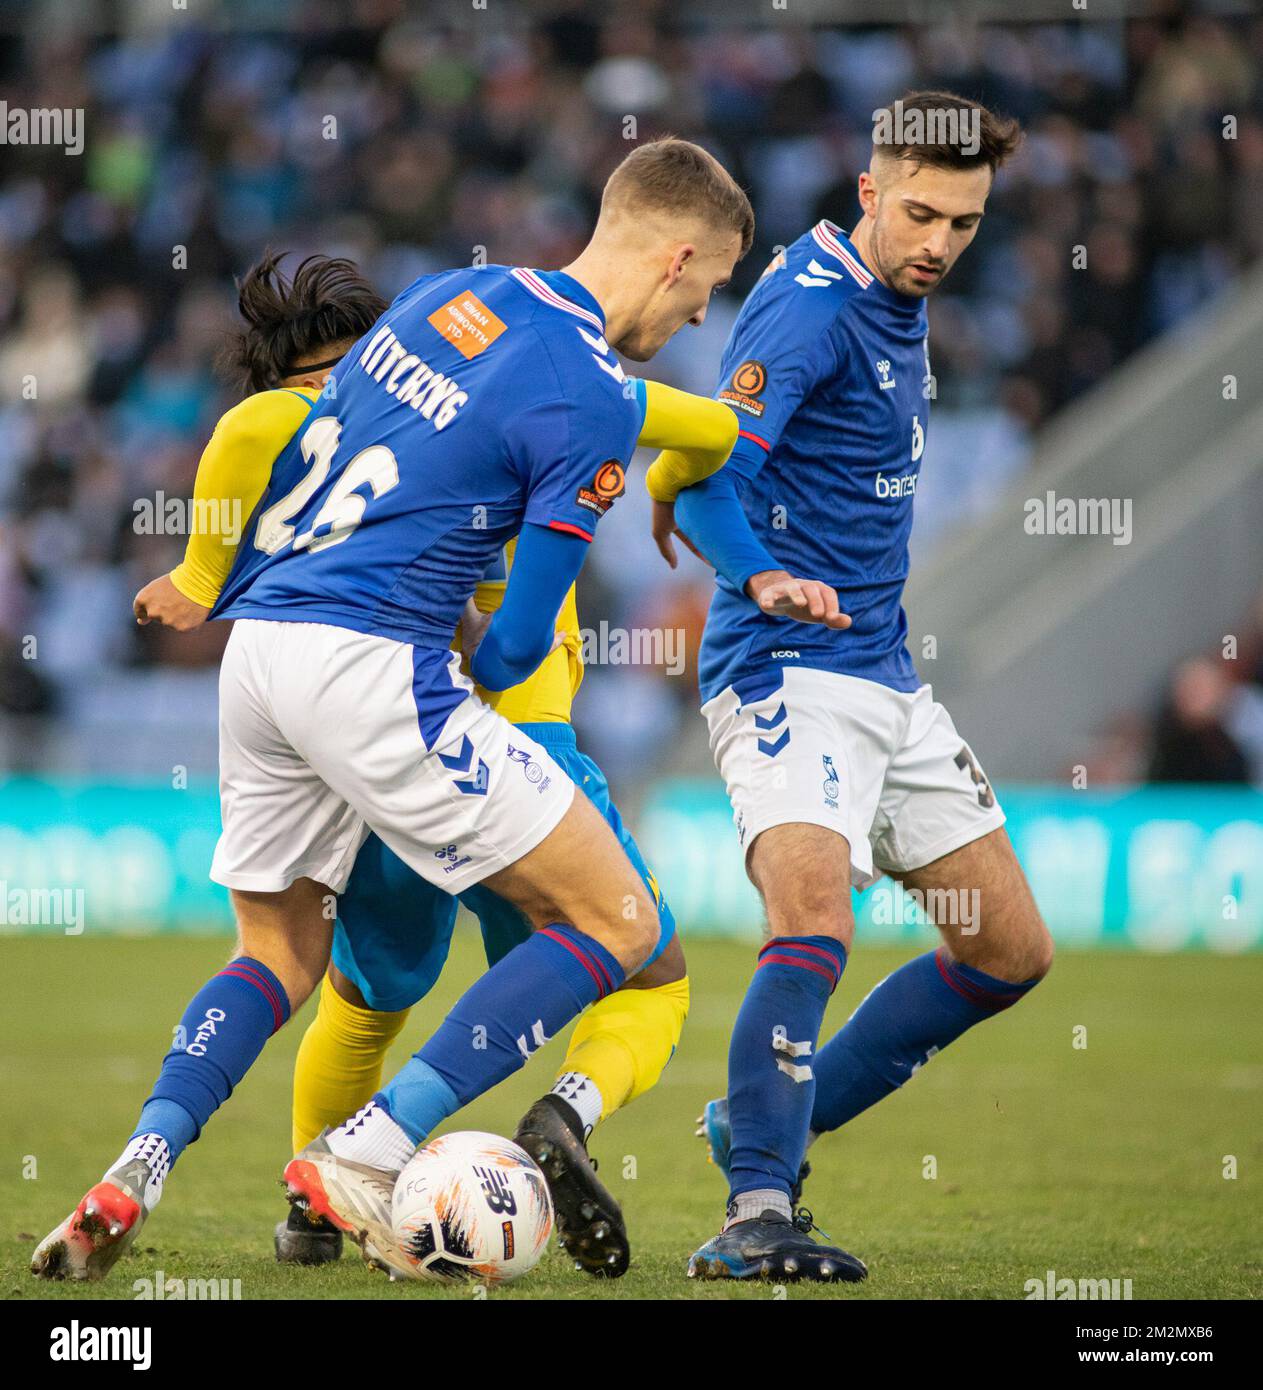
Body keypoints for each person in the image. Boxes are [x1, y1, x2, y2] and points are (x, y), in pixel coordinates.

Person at [32, 137, 753, 1281]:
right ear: (675, 259)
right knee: (622, 921)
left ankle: (143, 1161)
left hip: (261, 649)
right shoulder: (596, 397)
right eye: (709, 288)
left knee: (276, 953)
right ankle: (368, 1149)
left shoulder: (446, 293)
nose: (702, 316)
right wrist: (449, 705)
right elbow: (517, 637)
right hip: (378, 668)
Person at [663, 92, 1054, 1282]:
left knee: (1009, 952)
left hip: (885, 671)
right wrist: (766, 577)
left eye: (968, 223)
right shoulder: (810, 307)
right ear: (870, 191)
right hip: (784, 669)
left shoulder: (897, 294)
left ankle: (763, 1119)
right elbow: (703, 483)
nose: (940, 243)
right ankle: (754, 1213)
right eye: (922, 213)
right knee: (815, 923)